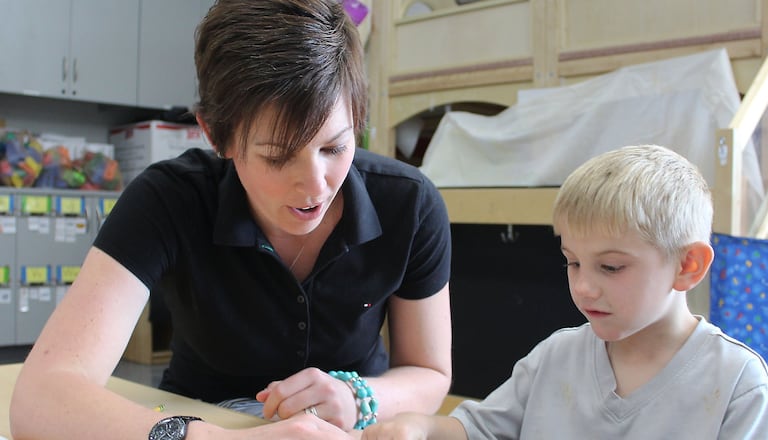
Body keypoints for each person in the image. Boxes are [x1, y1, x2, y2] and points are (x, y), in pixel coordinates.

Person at [10, 0, 452, 438]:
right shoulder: (169, 199)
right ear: (215, 135)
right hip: (197, 417)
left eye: (334, 148)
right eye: (278, 157)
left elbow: (429, 371)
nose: (315, 185)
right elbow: (41, 397)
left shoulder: (409, 205)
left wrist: (357, 398)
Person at [359, 145, 768, 439]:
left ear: (687, 266)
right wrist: (419, 426)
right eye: (572, 262)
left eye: (611, 267)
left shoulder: (738, 383)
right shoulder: (554, 358)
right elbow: (479, 429)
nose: (582, 286)